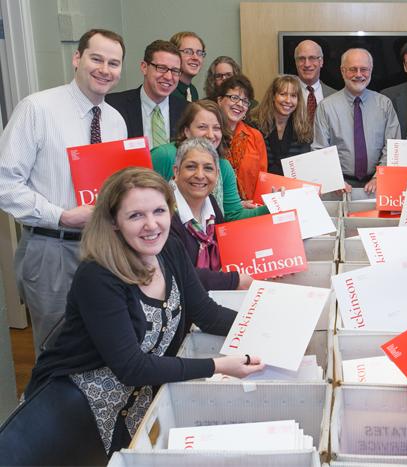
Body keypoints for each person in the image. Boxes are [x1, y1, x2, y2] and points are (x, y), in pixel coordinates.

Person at [23, 167, 264, 456]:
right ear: (114, 221)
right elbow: (132, 367)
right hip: (74, 413)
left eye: (159, 211)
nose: (152, 225)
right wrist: (219, 366)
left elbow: (207, 313)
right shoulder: (98, 276)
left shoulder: (170, 250)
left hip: (134, 405)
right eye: (136, 215)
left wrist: (266, 326)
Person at [0, 29, 127, 353]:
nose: (104, 69)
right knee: (55, 348)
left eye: (113, 63)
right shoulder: (37, 109)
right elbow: (5, 184)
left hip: (102, 249)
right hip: (50, 247)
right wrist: (61, 216)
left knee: (100, 341)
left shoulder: (115, 121)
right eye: (96, 58)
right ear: (77, 58)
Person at [151, 100, 268, 221]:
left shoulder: (223, 166)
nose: (211, 135)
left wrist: (274, 207)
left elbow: (233, 215)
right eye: (202, 127)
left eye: (216, 128)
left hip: (209, 237)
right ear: (186, 131)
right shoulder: (163, 156)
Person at [312, 48, 401, 193]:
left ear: (371, 71)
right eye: (352, 69)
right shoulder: (326, 107)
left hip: (378, 185)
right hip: (339, 186)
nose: (358, 74)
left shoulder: (385, 105)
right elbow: (320, 149)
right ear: (342, 71)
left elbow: (393, 146)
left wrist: (379, 177)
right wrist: (334, 180)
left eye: (364, 69)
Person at [170, 138, 253, 291]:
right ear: (176, 171)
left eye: (208, 168)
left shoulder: (211, 203)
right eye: (191, 167)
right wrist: (233, 281)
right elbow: (178, 275)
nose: (200, 175)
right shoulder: (164, 212)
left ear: (217, 174)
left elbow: (227, 250)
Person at [106, 40, 187, 147]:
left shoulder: (187, 111)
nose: (168, 77)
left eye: (175, 71)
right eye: (161, 68)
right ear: (144, 67)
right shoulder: (113, 106)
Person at [216, 75, 268, 201]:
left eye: (245, 101)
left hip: (250, 210)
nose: (239, 104)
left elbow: (263, 179)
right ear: (219, 100)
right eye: (234, 98)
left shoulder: (255, 136)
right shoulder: (210, 134)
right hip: (219, 212)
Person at [249, 75, 313, 175]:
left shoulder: (303, 129)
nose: (288, 100)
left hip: (293, 188)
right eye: (283, 94)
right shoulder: (254, 125)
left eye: (293, 96)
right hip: (261, 186)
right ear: (273, 96)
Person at [294, 39, 336, 123]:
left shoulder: (335, 96)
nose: (307, 64)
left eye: (312, 58)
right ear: (296, 62)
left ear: (321, 62)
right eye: (302, 58)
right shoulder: (284, 96)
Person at [170, 31, 206, 102]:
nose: (195, 57)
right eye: (188, 52)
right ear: (174, 54)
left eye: (199, 53)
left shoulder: (193, 91)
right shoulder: (167, 91)